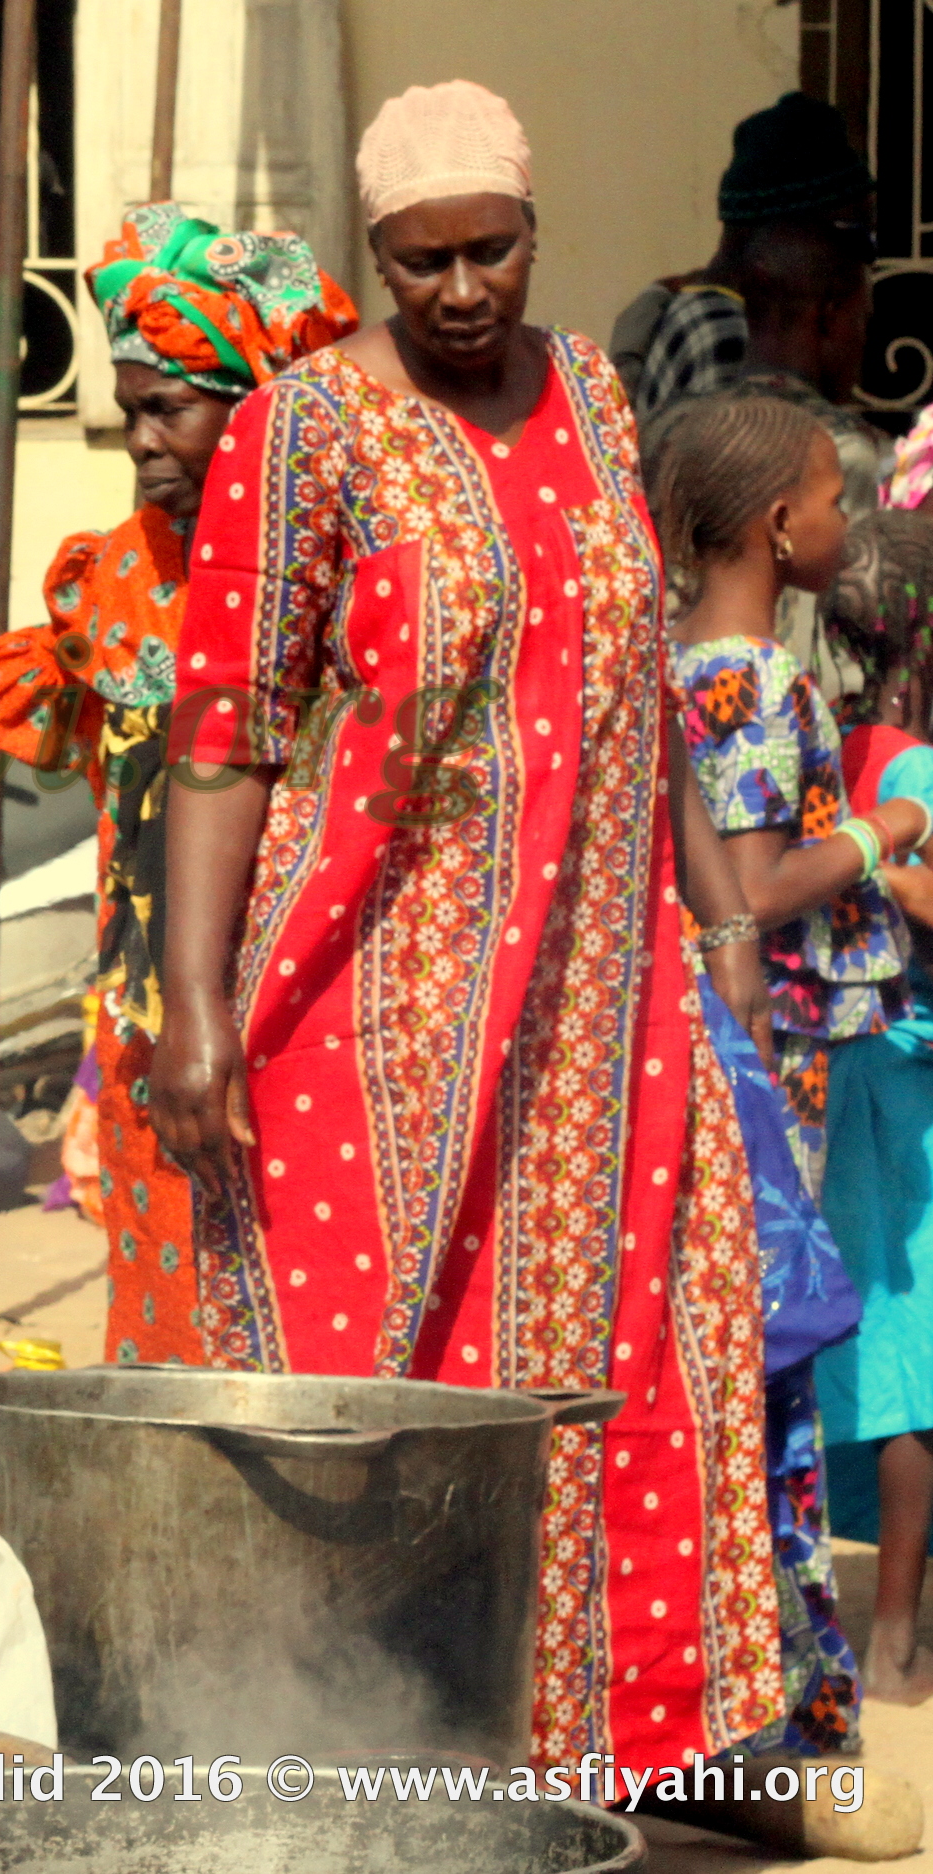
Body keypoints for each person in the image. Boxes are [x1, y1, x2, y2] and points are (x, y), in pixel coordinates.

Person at [152, 81, 785, 1767]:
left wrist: (727, 947)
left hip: (597, 1000)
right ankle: (347, 1758)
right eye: (417, 259)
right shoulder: (304, 428)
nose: (455, 290)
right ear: (374, 252)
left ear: (533, 235)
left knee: (616, 1357)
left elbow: (645, 690)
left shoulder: (594, 392)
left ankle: (570, 1755)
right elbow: (224, 720)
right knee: (380, 1376)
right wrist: (192, 1000)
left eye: (487, 251)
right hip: (377, 992)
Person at [0, 204, 356, 1367]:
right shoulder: (123, 572)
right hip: (153, 1000)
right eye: (128, 416)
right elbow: (57, 690)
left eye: (171, 407)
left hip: (315, 995)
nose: (143, 442)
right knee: (169, 1295)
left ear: (261, 403)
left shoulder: (346, 580)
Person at [657, 392, 917, 1752]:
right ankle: (784, 1700)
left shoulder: (678, 662)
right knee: (779, 1355)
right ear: (774, 523)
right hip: (774, 1061)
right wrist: (882, 832)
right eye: (828, 497)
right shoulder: (751, 681)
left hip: (732, 1059)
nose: (841, 518)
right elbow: (750, 892)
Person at [812, 509, 933, 1703]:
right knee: (889, 1359)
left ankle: (887, 1630)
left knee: (896, 1358)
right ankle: (885, 1628)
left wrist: (867, 860)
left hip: (887, 1089)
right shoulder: (829, 745)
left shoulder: (892, 766)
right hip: (857, 1089)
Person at [617, 92, 875, 422]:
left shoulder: (689, 305)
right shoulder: (727, 334)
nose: (866, 254)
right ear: (790, 238)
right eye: (854, 230)